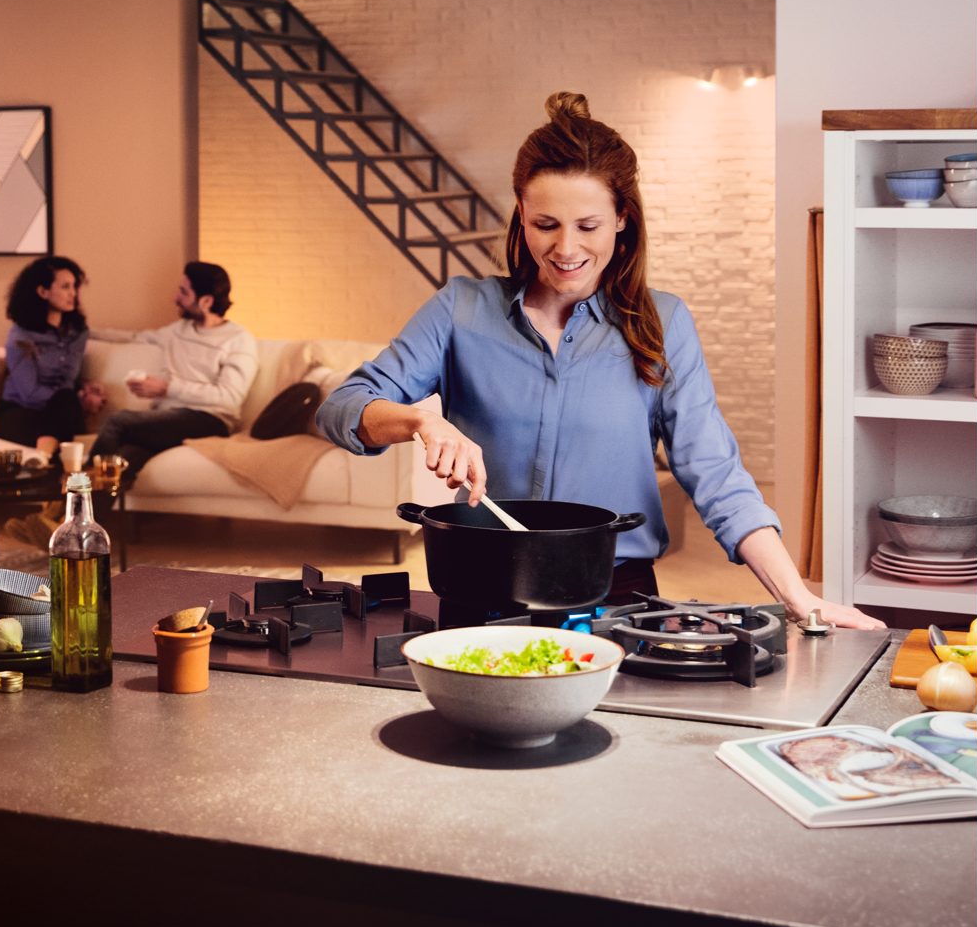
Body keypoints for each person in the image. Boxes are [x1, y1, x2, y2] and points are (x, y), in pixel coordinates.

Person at [314, 92, 884, 630]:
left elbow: (715, 473)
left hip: (617, 601)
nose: (565, 249)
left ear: (622, 218)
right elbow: (341, 408)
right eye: (545, 225)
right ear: (520, 212)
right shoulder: (461, 310)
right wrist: (419, 420)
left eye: (587, 226)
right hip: (480, 599)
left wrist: (797, 597)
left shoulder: (662, 324)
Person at [88, 261, 259, 485]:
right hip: (167, 420)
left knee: (117, 422)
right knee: (122, 463)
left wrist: (166, 388)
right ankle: (91, 517)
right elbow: (132, 337)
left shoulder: (238, 339)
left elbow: (229, 397)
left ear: (206, 301)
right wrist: (80, 332)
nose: (175, 298)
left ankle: (72, 502)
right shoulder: (178, 331)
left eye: (183, 292)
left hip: (209, 421)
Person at [0, 256, 106, 457]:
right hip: (19, 411)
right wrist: (80, 400)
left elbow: (66, 381)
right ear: (43, 292)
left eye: (74, 286)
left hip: (61, 408)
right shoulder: (21, 336)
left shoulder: (77, 333)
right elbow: (29, 393)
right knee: (66, 410)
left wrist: (84, 388)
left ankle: (42, 459)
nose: (73, 293)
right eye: (65, 287)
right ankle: (50, 457)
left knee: (66, 402)